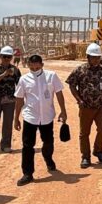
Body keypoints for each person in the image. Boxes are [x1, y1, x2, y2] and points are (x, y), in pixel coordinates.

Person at [14, 54, 67, 186]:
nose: (34, 68)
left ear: (42, 65)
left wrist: (63, 111)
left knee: (48, 142)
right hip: (30, 117)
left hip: (47, 116)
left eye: (37, 66)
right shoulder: (24, 79)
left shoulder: (51, 76)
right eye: (31, 66)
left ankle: (48, 159)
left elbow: (59, 93)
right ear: (28, 66)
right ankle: (27, 173)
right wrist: (16, 118)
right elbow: (19, 99)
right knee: (27, 146)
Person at [66, 43, 102, 168]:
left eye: (98, 57)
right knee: (84, 133)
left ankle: (98, 150)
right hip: (86, 106)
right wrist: (78, 99)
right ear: (88, 57)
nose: (96, 60)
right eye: (93, 57)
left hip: (100, 105)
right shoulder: (80, 70)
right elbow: (71, 84)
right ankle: (85, 157)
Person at [0, 46, 22, 152]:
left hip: (10, 100)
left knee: (7, 123)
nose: (6, 59)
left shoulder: (15, 70)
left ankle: (5, 145)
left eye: (9, 57)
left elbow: (20, 85)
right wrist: (4, 74)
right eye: (4, 56)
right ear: (0, 56)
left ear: (11, 57)